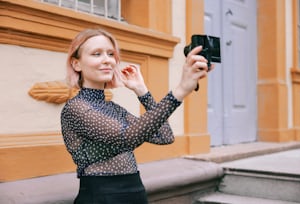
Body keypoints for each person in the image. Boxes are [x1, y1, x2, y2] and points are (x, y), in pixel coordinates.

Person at [61, 28, 213, 204]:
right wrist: (180, 91)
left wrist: (143, 92)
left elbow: (164, 136)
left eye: (111, 54)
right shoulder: (77, 108)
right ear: (76, 64)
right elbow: (128, 137)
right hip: (102, 196)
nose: (107, 60)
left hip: (135, 193)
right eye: (97, 54)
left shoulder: (113, 109)